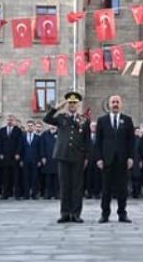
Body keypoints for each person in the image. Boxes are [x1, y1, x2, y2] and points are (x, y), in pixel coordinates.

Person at [44, 91, 91, 223]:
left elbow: (87, 140)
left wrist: (87, 157)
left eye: (74, 103)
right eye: (70, 103)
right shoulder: (61, 117)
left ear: (78, 105)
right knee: (64, 186)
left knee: (77, 186)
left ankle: (76, 214)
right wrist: (58, 107)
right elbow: (46, 119)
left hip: (78, 156)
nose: (72, 105)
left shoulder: (84, 120)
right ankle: (65, 213)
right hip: (63, 155)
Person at [95, 95, 135, 222]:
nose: (115, 104)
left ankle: (122, 213)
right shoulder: (102, 120)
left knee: (122, 189)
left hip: (122, 160)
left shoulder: (127, 120)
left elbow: (131, 141)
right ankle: (105, 214)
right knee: (106, 188)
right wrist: (99, 158)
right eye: (113, 102)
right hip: (107, 159)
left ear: (121, 104)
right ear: (109, 104)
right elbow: (98, 142)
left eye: (117, 102)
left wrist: (131, 157)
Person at [0, 115, 22, 200]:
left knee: (16, 176)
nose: (10, 121)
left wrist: (18, 153)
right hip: (5, 156)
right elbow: (0, 142)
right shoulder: (2, 130)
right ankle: (6, 193)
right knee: (5, 176)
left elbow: (20, 143)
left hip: (14, 156)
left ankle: (17, 194)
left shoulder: (18, 130)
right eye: (8, 120)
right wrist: (0, 153)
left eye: (11, 120)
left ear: (14, 121)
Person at [19, 120, 42, 199]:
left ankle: (34, 194)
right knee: (25, 178)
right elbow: (21, 149)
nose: (30, 127)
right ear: (26, 127)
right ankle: (26, 194)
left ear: (34, 127)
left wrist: (39, 160)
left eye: (31, 125)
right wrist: (21, 160)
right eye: (28, 125)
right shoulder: (23, 137)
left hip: (35, 160)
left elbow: (40, 150)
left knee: (34, 178)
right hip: (25, 160)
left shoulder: (38, 137)